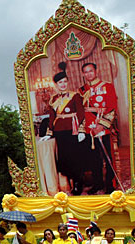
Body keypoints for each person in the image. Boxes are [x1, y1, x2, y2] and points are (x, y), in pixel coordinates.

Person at [42, 62, 85, 194]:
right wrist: (49, 133)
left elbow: (81, 113)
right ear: (56, 84)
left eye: (65, 82)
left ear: (67, 82)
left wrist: (81, 130)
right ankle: (70, 183)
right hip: (59, 131)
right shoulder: (53, 99)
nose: (63, 84)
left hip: (73, 129)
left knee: (75, 158)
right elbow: (51, 116)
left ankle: (78, 183)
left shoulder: (75, 96)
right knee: (64, 160)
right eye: (60, 82)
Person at [78, 62, 118, 194]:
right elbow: (81, 112)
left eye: (91, 71)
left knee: (108, 159)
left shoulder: (107, 86)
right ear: (83, 74)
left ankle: (110, 185)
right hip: (90, 131)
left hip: (103, 128)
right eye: (86, 72)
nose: (88, 74)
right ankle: (98, 184)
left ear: (96, 71)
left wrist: (101, 125)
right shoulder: (82, 90)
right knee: (94, 161)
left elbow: (112, 108)